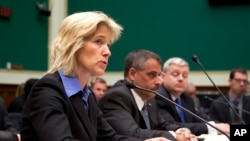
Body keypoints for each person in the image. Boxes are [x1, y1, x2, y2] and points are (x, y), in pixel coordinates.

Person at [20, 11, 169, 141]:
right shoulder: (48, 89)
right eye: (99, 42)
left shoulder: (87, 94)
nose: (107, 52)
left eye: (108, 45)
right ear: (73, 44)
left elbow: (109, 138)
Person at [99, 50, 197, 141]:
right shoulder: (117, 97)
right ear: (132, 74)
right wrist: (175, 136)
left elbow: (163, 125)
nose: (159, 82)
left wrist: (181, 131)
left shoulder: (148, 96)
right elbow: (131, 133)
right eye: (152, 75)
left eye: (159, 75)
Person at [155, 57, 230, 136]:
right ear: (163, 76)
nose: (181, 79)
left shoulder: (186, 98)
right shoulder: (159, 97)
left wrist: (222, 127)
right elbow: (172, 125)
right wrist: (214, 128)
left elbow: (200, 117)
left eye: (185, 75)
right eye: (175, 74)